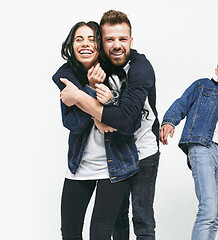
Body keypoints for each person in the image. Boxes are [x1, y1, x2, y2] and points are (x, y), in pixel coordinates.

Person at [53, 10, 160, 240]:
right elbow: (70, 116)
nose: (116, 45)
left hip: (136, 152)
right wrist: (93, 103)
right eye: (109, 39)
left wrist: (84, 100)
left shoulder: (134, 70)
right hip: (98, 158)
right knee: (114, 220)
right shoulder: (83, 70)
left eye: (122, 39)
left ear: (131, 40)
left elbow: (125, 122)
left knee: (141, 219)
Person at [160, 57, 218, 240]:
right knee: (208, 209)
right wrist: (169, 121)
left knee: (217, 215)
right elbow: (183, 102)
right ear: (217, 71)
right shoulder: (203, 86)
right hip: (203, 149)